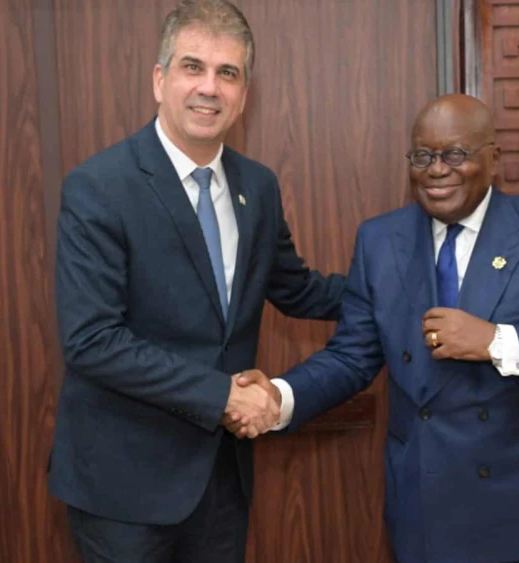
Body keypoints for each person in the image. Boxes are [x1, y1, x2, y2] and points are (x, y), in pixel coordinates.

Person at [239, 94, 519, 563]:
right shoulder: (380, 240)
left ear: (493, 158)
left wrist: (495, 340)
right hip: (428, 509)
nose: (436, 169)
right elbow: (352, 356)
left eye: (455, 154)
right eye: (423, 156)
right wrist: (279, 397)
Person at [47, 1, 345, 561]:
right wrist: (222, 396)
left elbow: (298, 289)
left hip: (220, 483)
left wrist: (397, 283)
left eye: (227, 73)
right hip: (123, 491)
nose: (210, 87)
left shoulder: (256, 187)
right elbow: (92, 340)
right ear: (159, 80)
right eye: (193, 67)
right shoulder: (100, 186)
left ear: (244, 92)